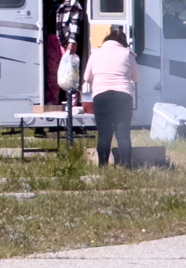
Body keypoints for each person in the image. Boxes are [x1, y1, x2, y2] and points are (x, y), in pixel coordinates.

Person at [84, 28, 139, 167]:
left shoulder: (95, 53)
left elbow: (86, 77)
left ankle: (102, 166)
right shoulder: (128, 54)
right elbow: (137, 77)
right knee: (123, 134)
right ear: (123, 42)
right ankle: (127, 166)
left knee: (104, 134)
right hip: (123, 97)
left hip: (101, 96)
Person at [45, 0, 86, 104]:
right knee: (53, 70)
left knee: (69, 71)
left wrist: (72, 41)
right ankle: (53, 99)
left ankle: (72, 99)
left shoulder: (73, 3)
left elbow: (75, 24)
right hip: (51, 38)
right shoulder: (52, 3)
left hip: (66, 41)